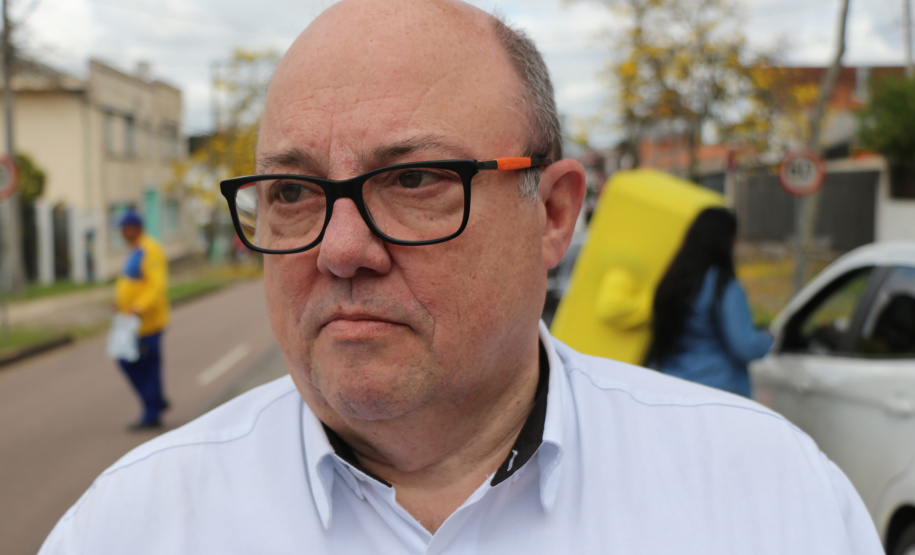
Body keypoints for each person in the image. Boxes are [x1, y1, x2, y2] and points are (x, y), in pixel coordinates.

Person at [40, 1, 881, 552]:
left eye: (412, 179)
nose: (340, 248)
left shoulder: (766, 495)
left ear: (553, 214)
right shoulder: (130, 525)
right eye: (292, 192)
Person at [645, 207, 773, 397]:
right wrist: (767, 338)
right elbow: (744, 346)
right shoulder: (724, 287)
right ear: (727, 241)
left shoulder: (672, 281)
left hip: (671, 386)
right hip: (717, 391)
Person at [113, 209, 170, 430]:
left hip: (147, 322)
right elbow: (133, 282)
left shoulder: (150, 249)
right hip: (131, 322)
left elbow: (156, 285)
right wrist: (120, 304)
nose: (122, 233)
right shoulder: (135, 250)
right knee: (128, 361)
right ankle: (155, 401)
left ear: (135, 228)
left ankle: (152, 411)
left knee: (145, 366)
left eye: (125, 229)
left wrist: (139, 307)